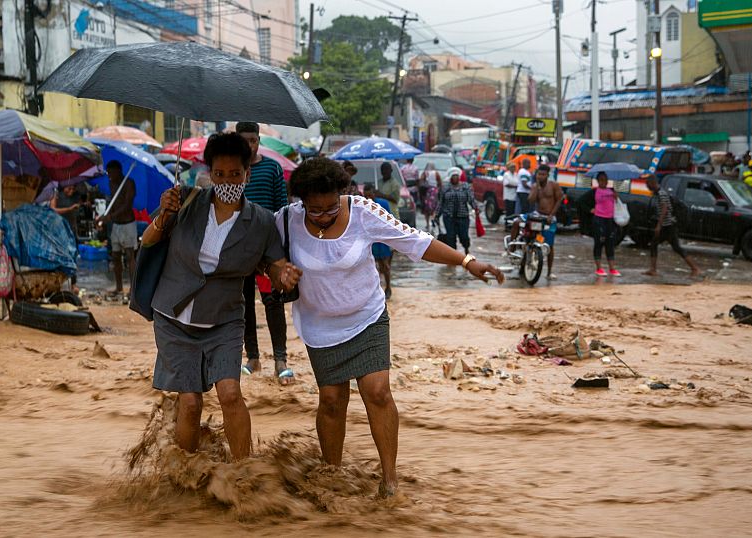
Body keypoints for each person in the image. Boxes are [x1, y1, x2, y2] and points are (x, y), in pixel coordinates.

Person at [276, 157, 503, 497]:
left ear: (342, 193)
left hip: (367, 317)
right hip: (320, 326)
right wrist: (278, 270)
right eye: (315, 210)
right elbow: (264, 257)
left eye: (331, 208)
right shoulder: (286, 221)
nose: (324, 216)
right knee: (332, 400)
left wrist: (467, 261)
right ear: (301, 203)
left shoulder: (364, 212)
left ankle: (390, 480)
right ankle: (332, 476)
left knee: (378, 392)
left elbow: (416, 241)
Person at [141, 132, 301, 460]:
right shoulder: (184, 200)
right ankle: (185, 474)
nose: (227, 181)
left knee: (229, 394)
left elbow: (274, 264)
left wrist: (283, 275)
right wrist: (163, 214)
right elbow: (148, 241)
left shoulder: (261, 222)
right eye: (219, 174)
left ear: (248, 174)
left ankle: (245, 474)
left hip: (224, 320)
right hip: (174, 317)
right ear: (209, 173)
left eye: (235, 174)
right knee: (190, 402)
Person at [234, 122, 294, 384]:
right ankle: (253, 357)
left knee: (273, 302)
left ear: (259, 141)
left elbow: (283, 210)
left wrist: (284, 251)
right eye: (245, 140)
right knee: (244, 303)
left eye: (254, 140)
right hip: (238, 249)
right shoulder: (232, 173)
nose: (250, 145)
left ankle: (280, 360)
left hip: (269, 249)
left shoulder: (271, 168)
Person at [508, 165, 564, 280]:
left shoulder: (554, 185)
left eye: (543, 174)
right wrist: (537, 187)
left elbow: (560, 199)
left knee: (550, 245)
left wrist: (552, 215)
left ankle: (549, 272)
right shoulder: (534, 186)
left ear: (547, 175)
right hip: (536, 214)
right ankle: (512, 248)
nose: (540, 176)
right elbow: (531, 200)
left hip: (549, 217)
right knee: (517, 223)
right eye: (539, 174)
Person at [643, 174, 700, 278]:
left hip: (668, 226)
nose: (647, 187)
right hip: (666, 225)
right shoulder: (659, 193)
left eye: (648, 185)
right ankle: (652, 269)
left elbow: (664, 209)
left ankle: (695, 268)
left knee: (676, 247)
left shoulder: (661, 194)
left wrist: (659, 225)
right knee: (654, 244)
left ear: (652, 183)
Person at [96, 160, 138, 295]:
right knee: (115, 255)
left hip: (128, 224)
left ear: (118, 171)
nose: (108, 175)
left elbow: (127, 205)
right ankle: (119, 287)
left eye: (110, 172)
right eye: (107, 172)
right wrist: (104, 216)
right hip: (116, 225)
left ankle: (133, 289)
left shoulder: (129, 183)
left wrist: (110, 217)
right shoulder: (111, 183)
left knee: (130, 256)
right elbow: (113, 203)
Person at [581, 172, 620, 276]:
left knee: (610, 243)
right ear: (598, 181)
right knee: (599, 243)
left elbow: (617, 203)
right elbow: (581, 202)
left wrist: (616, 197)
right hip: (599, 220)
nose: (604, 182)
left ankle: (612, 268)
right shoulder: (594, 192)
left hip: (610, 220)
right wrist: (590, 210)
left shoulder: (612, 191)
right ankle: (599, 268)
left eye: (606, 179)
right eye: (602, 179)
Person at [362, 183, 394, 299]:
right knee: (370, 266)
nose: (368, 198)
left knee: (385, 265)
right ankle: (375, 290)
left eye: (369, 195)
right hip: (368, 238)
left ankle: (388, 287)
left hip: (382, 238)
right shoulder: (362, 205)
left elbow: (390, 220)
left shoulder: (383, 203)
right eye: (366, 196)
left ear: (373, 193)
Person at [436, 167, 477, 254]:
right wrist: (437, 216)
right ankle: (453, 256)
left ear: (459, 177)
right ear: (450, 178)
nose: (455, 178)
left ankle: (466, 250)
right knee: (451, 237)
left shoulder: (465, 187)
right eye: (453, 176)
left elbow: (471, 199)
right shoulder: (445, 188)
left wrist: (476, 208)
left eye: (456, 176)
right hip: (449, 217)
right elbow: (440, 203)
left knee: (464, 236)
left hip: (463, 217)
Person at [418, 162, 442, 231]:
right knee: (434, 207)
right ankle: (433, 219)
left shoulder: (425, 173)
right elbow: (440, 182)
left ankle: (427, 224)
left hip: (427, 192)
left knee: (426, 208)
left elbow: (421, 182)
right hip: (434, 191)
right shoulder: (436, 173)